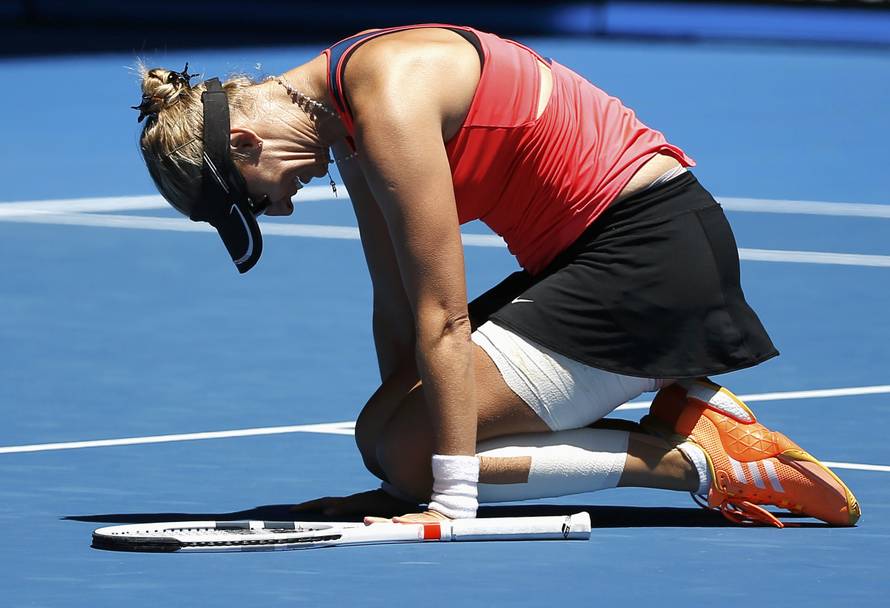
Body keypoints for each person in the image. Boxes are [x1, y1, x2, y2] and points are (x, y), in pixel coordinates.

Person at [134, 24, 860, 528]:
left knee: (415, 447)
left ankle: (702, 462)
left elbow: (439, 317)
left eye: (260, 199)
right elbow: (394, 301)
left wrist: (445, 494)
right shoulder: (347, 107)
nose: (282, 208)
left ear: (243, 140)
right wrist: (399, 471)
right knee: (379, 433)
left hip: (653, 267)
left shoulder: (387, 98)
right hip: (602, 258)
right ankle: (692, 425)